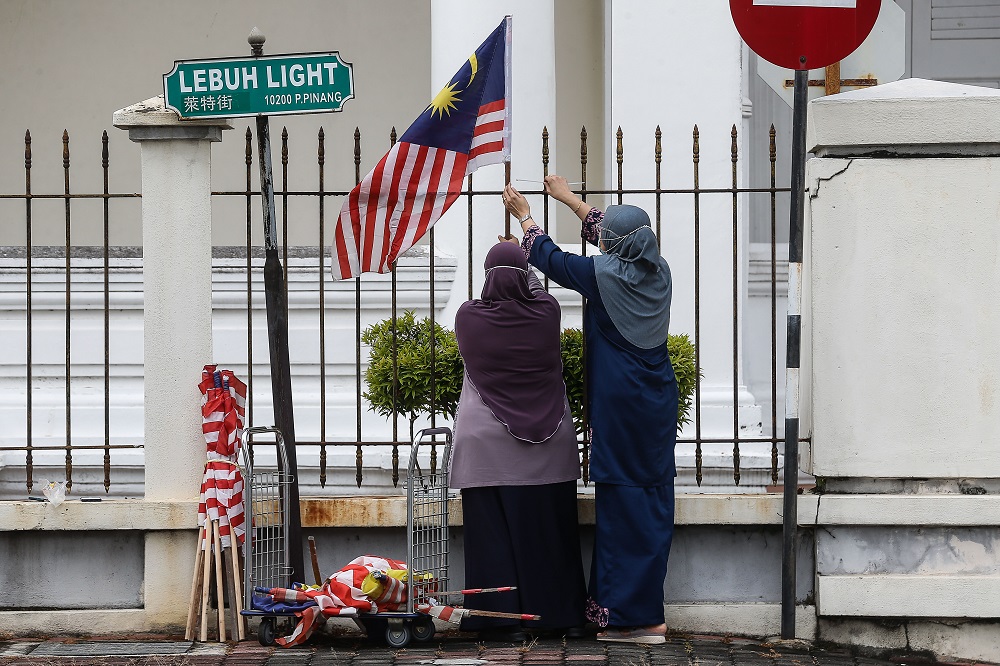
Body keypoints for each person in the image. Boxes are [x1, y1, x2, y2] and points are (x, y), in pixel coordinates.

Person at [501, 176, 678, 645]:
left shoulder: (603, 276)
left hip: (622, 405)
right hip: (657, 401)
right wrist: (568, 199)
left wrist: (526, 216)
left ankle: (630, 620)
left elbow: (551, 260)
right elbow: (611, 232)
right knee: (654, 503)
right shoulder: (658, 270)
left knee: (622, 508)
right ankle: (647, 614)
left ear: (613, 247)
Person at [449, 241, 588, 642]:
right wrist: (525, 261)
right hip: (548, 444)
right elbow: (540, 291)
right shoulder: (547, 313)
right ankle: (564, 617)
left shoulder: (469, 317)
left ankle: (501, 620)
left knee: (493, 537)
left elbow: (494, 294)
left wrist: (506, 265)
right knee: (551, 534)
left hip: (487, 446)